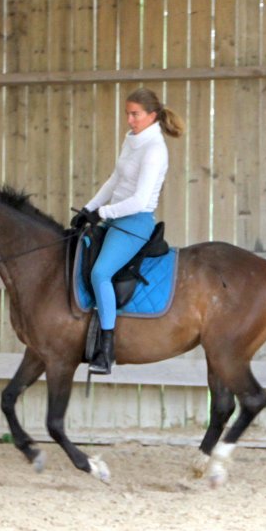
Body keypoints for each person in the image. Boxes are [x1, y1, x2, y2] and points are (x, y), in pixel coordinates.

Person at [71, 87, 185, 374]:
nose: (130, 120)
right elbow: (115, 180)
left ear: (152, 115)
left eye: (135, 115)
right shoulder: (132, 139)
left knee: (100, 273)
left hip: (135, 221)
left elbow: (138, 199)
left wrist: (102, 212)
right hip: (114, 217)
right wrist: (89, 208)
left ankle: (106, 348)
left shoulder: (155, 150)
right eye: (128, 114)